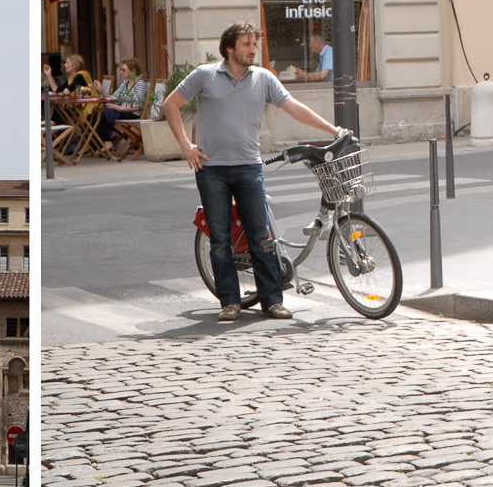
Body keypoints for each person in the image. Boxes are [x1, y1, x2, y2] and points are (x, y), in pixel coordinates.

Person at [162, 21, 346, 322]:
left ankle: (272, 301)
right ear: (230, 47)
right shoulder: (205, 75)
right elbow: (171, 105)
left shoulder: (263, 78)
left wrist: (331, 128)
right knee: (221, 239)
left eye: (255, 44)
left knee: (262, 237)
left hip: (249, 167)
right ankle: (230, 302)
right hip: (212, 170)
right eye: (246, 44)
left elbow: (294, 107)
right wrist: (186, 145)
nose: (253, 49)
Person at [97, 58, 150, 151]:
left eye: (123, 70)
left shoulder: (140, 84)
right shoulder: (125, 83)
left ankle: (108, 141)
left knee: (105, 114)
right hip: (121, 110)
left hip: (133, 113)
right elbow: (113, 99)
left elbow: (137, 106)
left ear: (132, 71)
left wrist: (119, 107)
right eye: (121, 69)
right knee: (97, 115)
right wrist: (101, 90)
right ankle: (106, 140)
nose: (121, 72)